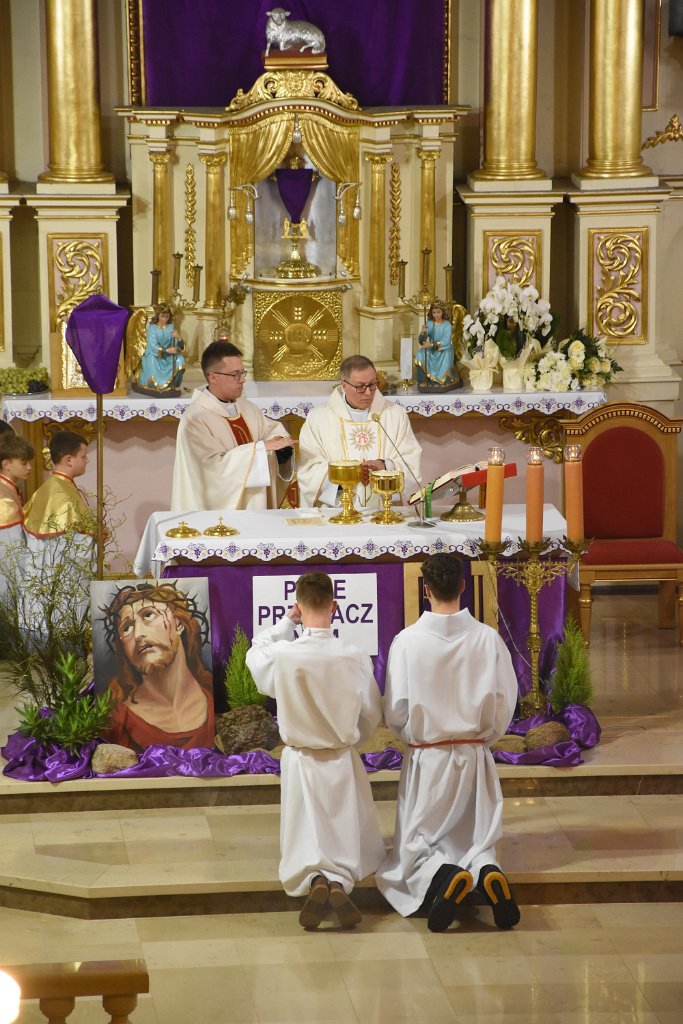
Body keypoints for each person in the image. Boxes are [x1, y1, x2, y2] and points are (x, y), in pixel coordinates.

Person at [376, 552, 520, 932]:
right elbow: (505, 701)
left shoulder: (407, 641)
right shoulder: (488, 639)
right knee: (476, 837)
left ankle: (442, 875)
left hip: (429, 758)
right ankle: (486, 869)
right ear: (462, 586)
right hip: (474, 755)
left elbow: (396, 708)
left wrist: (412, 738)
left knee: (418, 846)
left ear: (426, 589)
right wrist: (482, 739)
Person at [246, 571, 385, 930]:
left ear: (298, 605)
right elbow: (372, 711)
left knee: (307, 830)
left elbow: (255, 652)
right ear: (334, 606)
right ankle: (337, 881)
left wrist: (286, 623)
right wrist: (354, 739)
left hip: (300, 757)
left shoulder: (284, 654)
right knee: (340, 827)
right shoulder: (353, 656)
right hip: (340, 756)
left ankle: (317, 880)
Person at [171, 340, 295, 511]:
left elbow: (270, 432)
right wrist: (259, 449)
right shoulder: (195, 420)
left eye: (242, 373)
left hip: (255, 508)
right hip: (217, 519)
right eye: (235, 375)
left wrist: (281, 449)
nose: (242, 380)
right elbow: (211, 473)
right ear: (213, 377)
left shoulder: (246, 407)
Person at [99, 581, 214, 754]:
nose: (138, 635)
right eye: (127, 628)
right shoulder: (115, 720)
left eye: (148, 615)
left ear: (179, 624)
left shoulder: (215, 696)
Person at [297, 355, 422, 509]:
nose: (368, 393)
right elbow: (308, 471)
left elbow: (410, 462)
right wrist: (346, 476)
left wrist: (385, 466)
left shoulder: (395, 414)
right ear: (344, 385)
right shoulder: (318, 418)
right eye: (360, 386)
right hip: (337, 511)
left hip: (384, 510)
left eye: (373, 384)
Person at [23, 430, 96, 538]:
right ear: (69, 460)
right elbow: (65, 541)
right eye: (83, 456)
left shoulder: (54, 485)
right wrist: (98, 536)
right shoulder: (62, 495)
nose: (87, 460)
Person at [0, 433, 34, 602]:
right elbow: (9, 547)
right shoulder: (4, 499)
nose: (29, 467)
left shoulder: (9, 488)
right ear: (6, 464)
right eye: (23, 462)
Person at [133, 304, 186, 395]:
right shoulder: (152, 328)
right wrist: (166, 350)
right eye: (162, 316)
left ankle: (172, 385)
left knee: (180, 360)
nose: (164, 319)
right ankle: (158, 385)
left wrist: (179, 338)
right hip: (154, 355)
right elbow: (153, 346)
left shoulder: (171, 327)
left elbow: (178, 347)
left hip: (168, 356)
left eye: (167, 316)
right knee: (153, 369)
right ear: (158, 316)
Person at [415, 301, 461, 390]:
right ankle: (425, 380)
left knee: (446, 356)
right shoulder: (429, 323)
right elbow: (421, 341)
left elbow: (446, 341)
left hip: (444, 349)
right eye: (434, 312)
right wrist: (423, 332)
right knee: (420, 354)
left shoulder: (447, 325)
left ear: (443, 312)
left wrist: (432, 344)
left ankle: (441, 381)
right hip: (432, 348)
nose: (436, 315)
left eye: (438, 312)